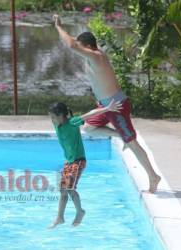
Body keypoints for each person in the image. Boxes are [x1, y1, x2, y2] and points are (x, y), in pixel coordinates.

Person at [53, 14, 161, 193]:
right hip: (105, 106)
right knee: (88, 128)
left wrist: (58, 26)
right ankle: (121, 135)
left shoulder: (97, 57)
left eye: (82, 48)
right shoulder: (95, 53)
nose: (80, 51)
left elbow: (72, 45)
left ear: (87, 46)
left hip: (116, 106)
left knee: (133, 143)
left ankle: (153, 175)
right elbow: (75, 42)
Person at [48, 100, 122, 229]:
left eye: (53, 117)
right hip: (68, 161)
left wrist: (108, 108)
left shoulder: (72, 123)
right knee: (63, 191)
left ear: (61, 116)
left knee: (70, 189)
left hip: (78, 160)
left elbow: (89, 115)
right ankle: (60, 217)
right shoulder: (57, 124)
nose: (52, 120)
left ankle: (80, 212)